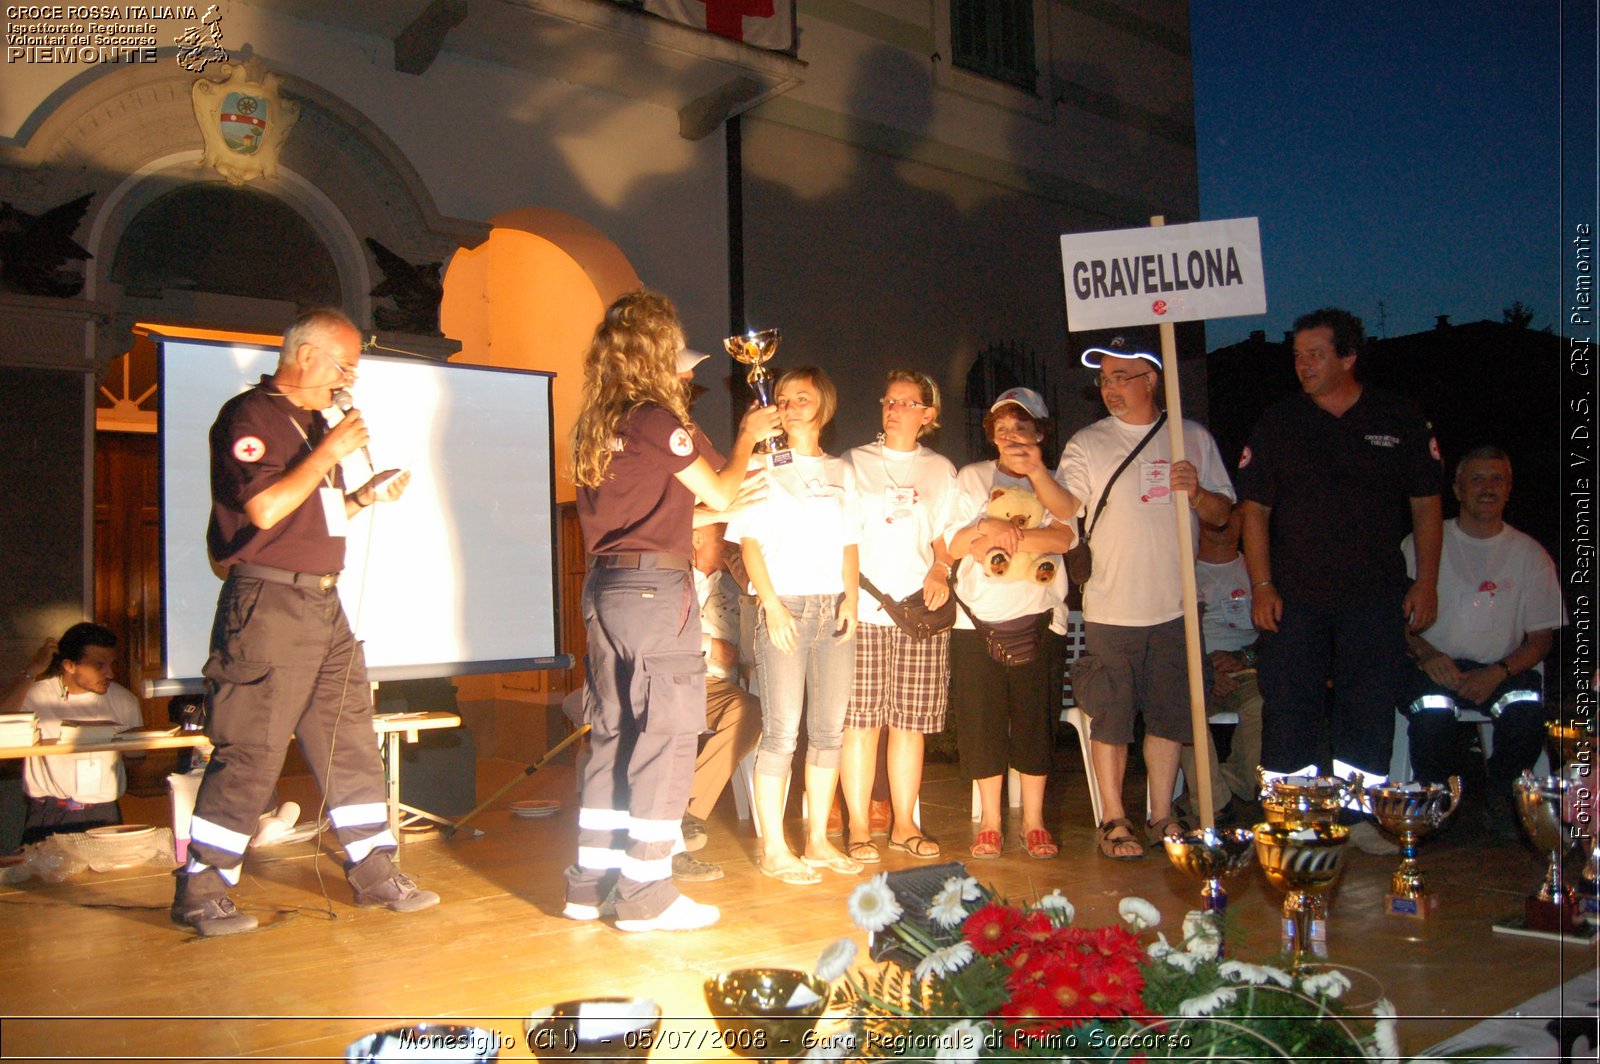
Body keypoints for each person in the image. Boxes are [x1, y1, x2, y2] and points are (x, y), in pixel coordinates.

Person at [172, 307, 429, 937]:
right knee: (253, 751)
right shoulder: (250, 417)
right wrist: (329, 451)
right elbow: (264, 509)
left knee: (351, 742)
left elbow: (309, 514)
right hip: (268, 608)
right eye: (344, 368)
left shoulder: (314, 425)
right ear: (306, 355)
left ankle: (374, 870)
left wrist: (364, 495)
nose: (348, 383)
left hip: (323, 605)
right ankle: (202, 890)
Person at [565, 290, 778, 932]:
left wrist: (723, 507)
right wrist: (746, 437)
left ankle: (589, 885)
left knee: (614, 735)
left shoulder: (598, 423)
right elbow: (715, 487)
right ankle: (646, 894)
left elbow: (660, 514)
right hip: (657, 597)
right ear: (654, 353)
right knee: (667, 737)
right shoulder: (657, 418)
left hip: (607, 591)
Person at [1237, 307, 1443, 855]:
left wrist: (1426, 583)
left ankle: (1360, 816)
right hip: (1294, 596)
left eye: (1315, 355)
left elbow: (1426, 505)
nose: (1302, 365)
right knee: (1288, 704)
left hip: (1374, 594)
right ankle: (1291, 815)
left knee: (1369, 705)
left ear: (1348, 357)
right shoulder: (1279, 422)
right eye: (1297, 356)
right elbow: (1253, 510)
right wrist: (1262, 585)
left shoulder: (1397, 418)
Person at [1042, 341, 1234, 860]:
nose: (1109, 388)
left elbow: (1222, 515)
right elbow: (1066, 507)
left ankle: (1161, 815)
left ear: (1151, 380)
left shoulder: (1189, 437)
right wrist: (1039, 475)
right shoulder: (1087, 442)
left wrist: (1196, 492)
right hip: (1110, 607)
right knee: (1111, 718)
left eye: (1121, 377)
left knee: (1170, 719)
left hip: (1175, 608)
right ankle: (1112, 819)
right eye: (1104, 379)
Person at [726, 365, 863, 886]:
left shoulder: (840, 471)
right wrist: (772, 604)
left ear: (823, 405)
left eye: (801, 397)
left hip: (833, 608)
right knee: (782, 731)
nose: (789, 405)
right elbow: (749, 543)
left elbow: (850, 542)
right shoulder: (762, 467)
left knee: (829, 731)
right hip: (785, 608)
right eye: (781, 398)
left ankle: (819, 840)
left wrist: (850, 599)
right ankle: (774, 848)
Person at [1401, 446, 1565, 829]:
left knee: (1526, 710)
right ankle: (1436, 808)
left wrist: (1498, 672)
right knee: (1432, 716)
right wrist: (1426, 654)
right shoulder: (1422, 543)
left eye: (1497, 480)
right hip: (1434, 665)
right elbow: (1393, 622)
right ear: (1457, 489)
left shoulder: (1530, 554)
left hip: (1501, 670)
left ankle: (1505, 799)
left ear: (1509, 490)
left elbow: (1541, 640)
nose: (1487, 488)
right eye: (1477, 479)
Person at [947, 387, 1073, 861]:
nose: (1011, 437)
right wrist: (984, 530)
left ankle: (1035, 822)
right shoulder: (973, 477)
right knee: (980, 724)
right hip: (975, 622)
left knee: (1035, 723)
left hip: (1040, 619)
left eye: (1021, 428)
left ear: (1040, 432)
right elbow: (954, 544)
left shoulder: (1055, 479)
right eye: (1001, 430)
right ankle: (992, 823)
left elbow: (1064, 536)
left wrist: (1007, 535)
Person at [840, 369, 961, 863]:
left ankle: (905, 822)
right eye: (888, 400)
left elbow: (946, 537)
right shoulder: (854, 462)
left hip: (919, 613)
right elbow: (843, 536)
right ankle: (857, 825)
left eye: (906, 403)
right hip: (865, 609)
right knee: (860, 723)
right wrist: (846, 597)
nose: (893, 409)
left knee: (910, 724)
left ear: (927, 415)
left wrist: (941, 569)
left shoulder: (940, 469)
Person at [673, 521, 763, 881]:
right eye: (720, 537)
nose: (729, 545)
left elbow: (751, 654)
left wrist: (748, 593)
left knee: (749, 712)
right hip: (674, 679)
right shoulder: (672, 578)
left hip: (715, 686)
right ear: (695, 537)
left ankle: (687, 812)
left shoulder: (732, 585)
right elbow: (657, 634)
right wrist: (709, 645)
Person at [7, 624, 143, 844]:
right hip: (48, 812)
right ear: (69, 666)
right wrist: (31, 671)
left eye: (111, 664)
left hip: (103, 812)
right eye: (99, 665)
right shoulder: (37, 695)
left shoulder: (124, 700)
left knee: (106, 877)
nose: (110, 673)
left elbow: (137, 758)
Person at [1194, 504, 1263, 815]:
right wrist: (1204, 669)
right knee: (1181, 712)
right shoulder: (1183, 570)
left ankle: (1232, 784)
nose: (1220, 523)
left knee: (1265, 703)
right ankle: (1216, 803)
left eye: (1229, 513)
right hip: (1194, 672)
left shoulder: (1260, 572)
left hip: (1249, 671)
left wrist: (1244, 656)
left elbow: (1282, 632)